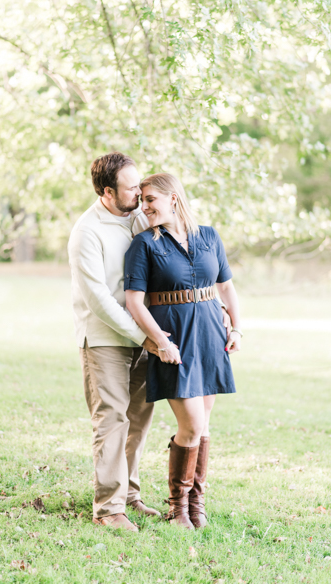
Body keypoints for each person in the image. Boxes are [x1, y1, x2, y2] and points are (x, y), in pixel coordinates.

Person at [124, 173, 242, 529]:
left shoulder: (208, 236)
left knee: (203, 425)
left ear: (173, 198)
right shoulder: (143, 245)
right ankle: (178, 507)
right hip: (174, 341)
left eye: (150, 200)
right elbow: (134, 302)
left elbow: (226, 287)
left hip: (210, 336)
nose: (143, 208)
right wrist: (160, 341)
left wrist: (236, 327)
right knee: (190, 423)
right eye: (142, 200)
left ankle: (196, 504)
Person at [68, 152, 166, 532]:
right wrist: (147, 336)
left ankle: (129, 495)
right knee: (111, 420)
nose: (140, 195)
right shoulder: (86, 232)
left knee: (139, 420)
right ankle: (108, 509)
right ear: (107, 192)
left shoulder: (141, 217)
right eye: (131, 189)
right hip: (105, 338)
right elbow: (101, 301)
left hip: (146, 335)